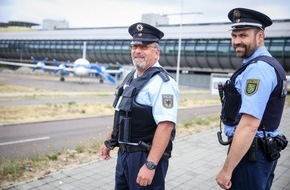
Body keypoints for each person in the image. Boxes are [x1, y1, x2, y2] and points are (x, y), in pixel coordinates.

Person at [99, 22, 179, 190]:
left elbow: (166, 126)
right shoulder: (130, 78)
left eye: (144, 47)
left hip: (145, 157)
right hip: (124, 155)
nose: (137, 51)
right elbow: (123, 115)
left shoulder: (163, 83)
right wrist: (109, 141)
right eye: (134, 46)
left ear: (156, 52)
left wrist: (150, 165)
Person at [216, 8, 288, 190]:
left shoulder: (258, 69)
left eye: (243, 36)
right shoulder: (260, 64)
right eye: (234, 36)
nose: (237, 41)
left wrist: (226, 170)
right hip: (255, 152)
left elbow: (249, 125)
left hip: (251, 155)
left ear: (260, 37)